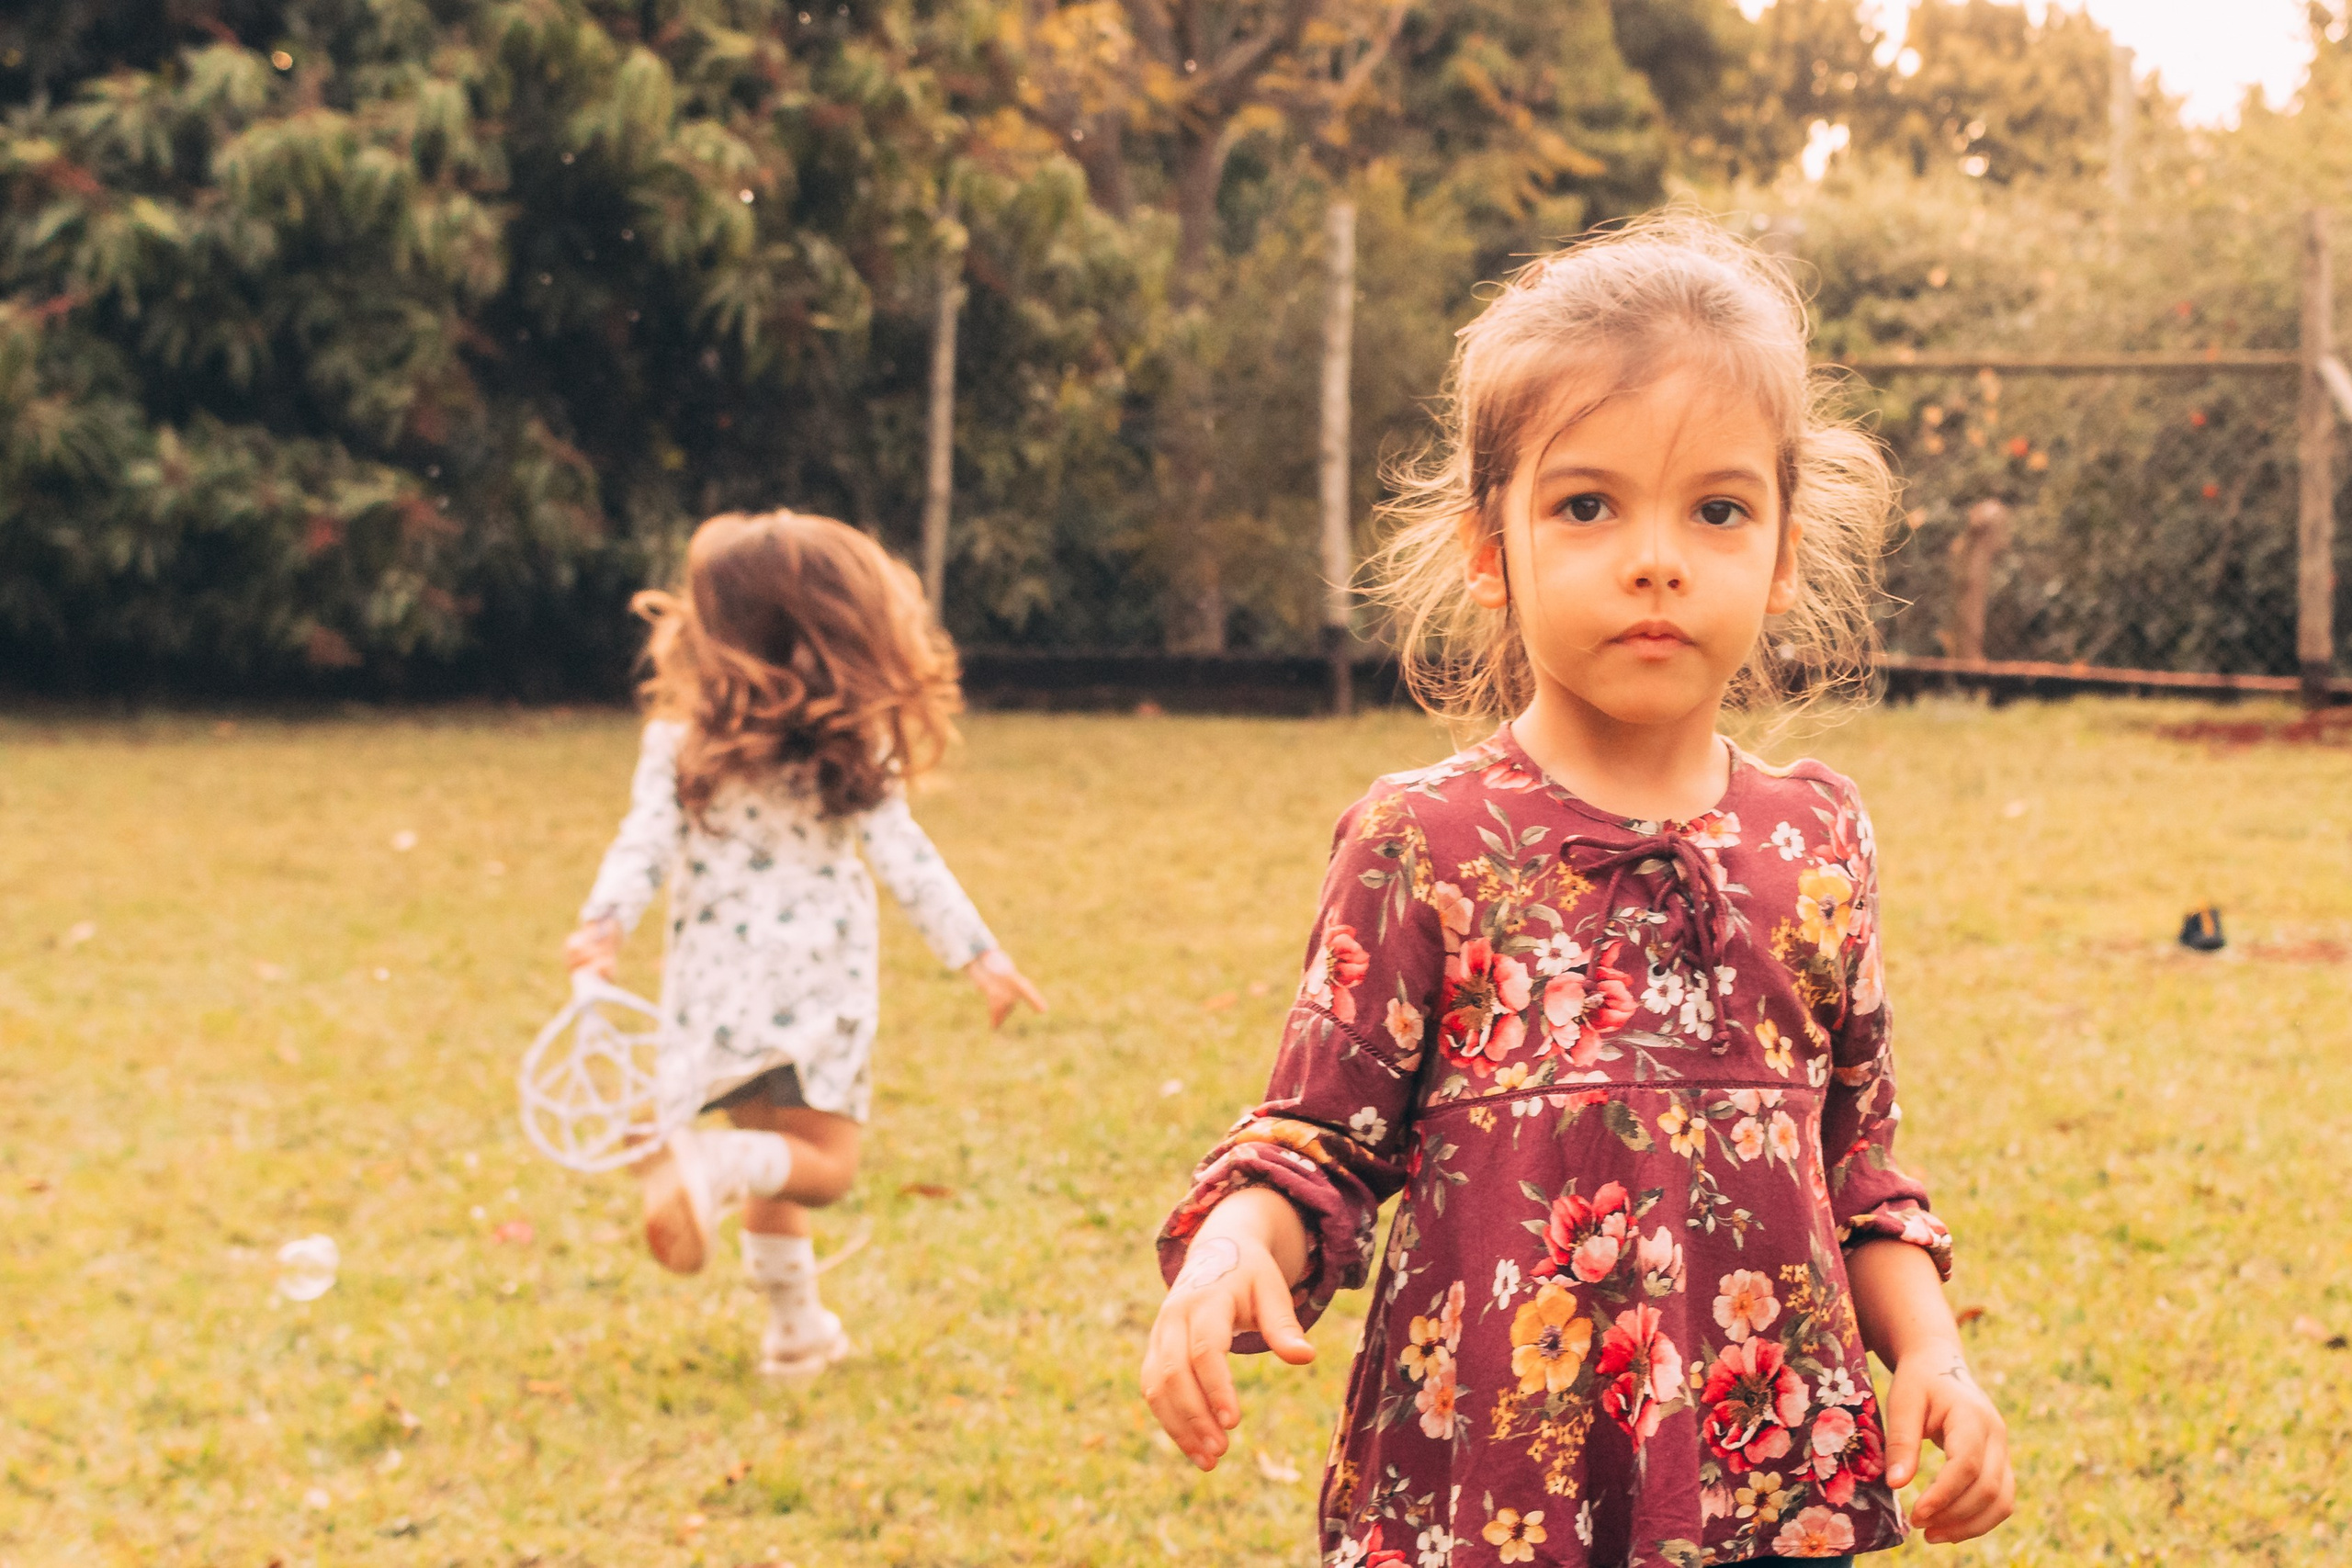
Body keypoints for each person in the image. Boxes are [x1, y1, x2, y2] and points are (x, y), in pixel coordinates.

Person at [1141, 219, 2013, 1566]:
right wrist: (1230, 1246)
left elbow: (1858, 1171)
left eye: (1717, 509)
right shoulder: (1423, 840)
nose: (1656, 558)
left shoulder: (1818, 839)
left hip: (1764, 1493)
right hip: (1496, 1492)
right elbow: (1319, 1140)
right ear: (1489, 547)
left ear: (1784, 553)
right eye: (1587, 505)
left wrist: (1936, 1358)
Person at [565, 509, 1044, 1377]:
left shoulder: (679, 743)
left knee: (773, 1166)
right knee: (822, 1167)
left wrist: (603, 924)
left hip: (714, 993)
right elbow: (907, 859)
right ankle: (708, 1163)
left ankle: (796, 1332)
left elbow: (643, 843)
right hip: (815, 992)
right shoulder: (849, 745)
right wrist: (980, 954)